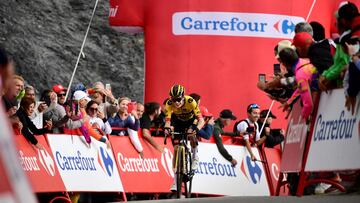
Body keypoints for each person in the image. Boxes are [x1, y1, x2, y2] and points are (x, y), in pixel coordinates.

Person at [164, 84, 204, 170]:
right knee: (176, 148)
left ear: (183, 97)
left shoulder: (190, 101)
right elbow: (167, 121)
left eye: (178, 99)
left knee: (190, 133)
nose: (176, 102)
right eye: (174, 100)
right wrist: (167, 129)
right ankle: (175, 181)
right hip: (179, 121)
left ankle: (195, 156)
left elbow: (201, 120)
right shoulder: (169, 103)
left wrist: (196, 129)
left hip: (191, 120)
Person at [279, 48, 318, 120]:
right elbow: (301, 87)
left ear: (284, 63)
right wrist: (289, 102)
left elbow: (308, 104)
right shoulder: (306, 61)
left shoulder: (301, 74)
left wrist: (303, 117)